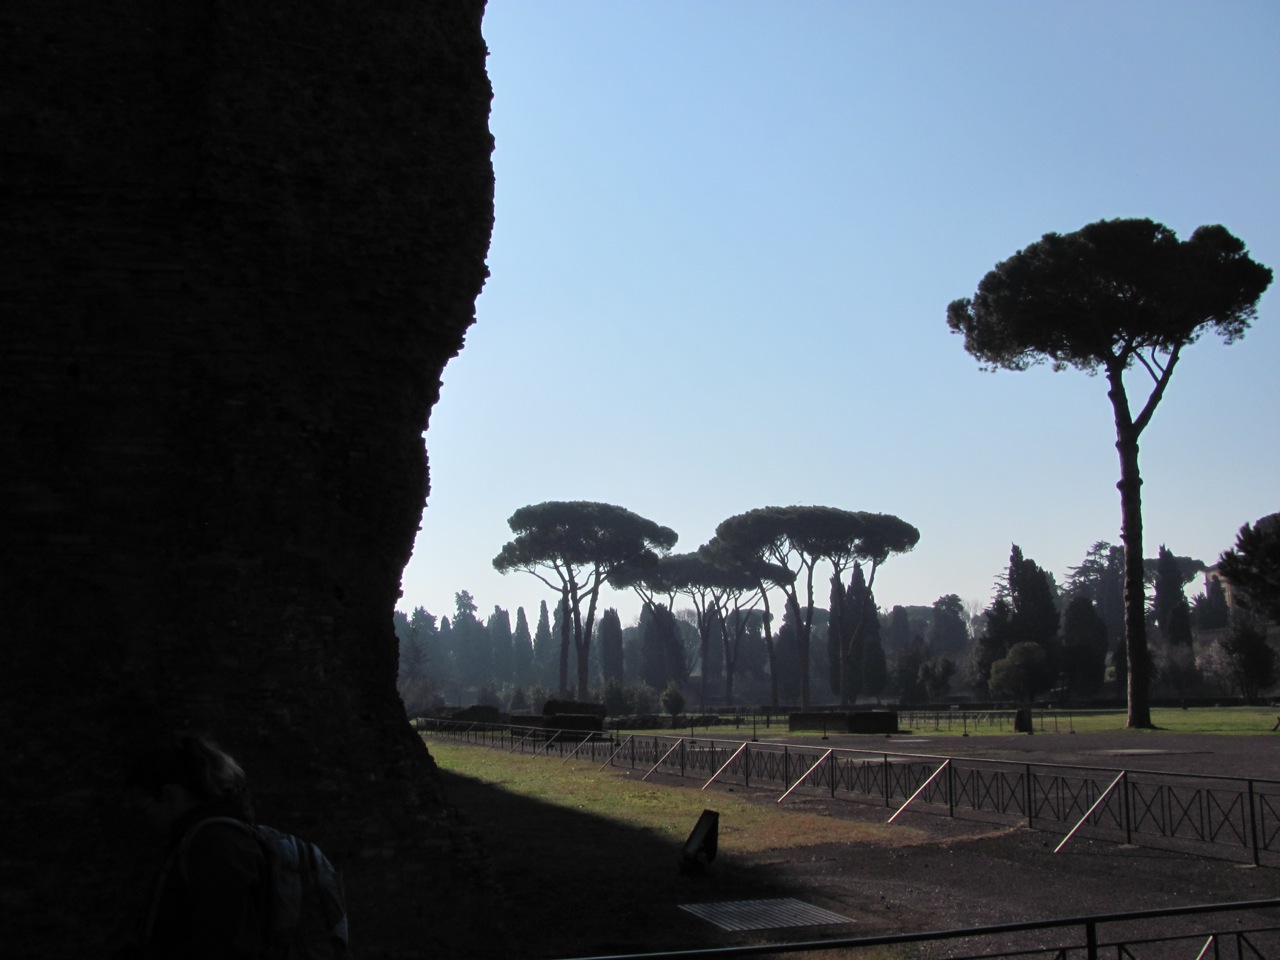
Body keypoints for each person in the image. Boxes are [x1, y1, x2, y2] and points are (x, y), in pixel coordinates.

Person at [119, 734, 268, 960]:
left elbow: (221, 943)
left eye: (143, 809)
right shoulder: (212, 840)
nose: (144, 820)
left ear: (169, 795)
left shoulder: (212, 846)